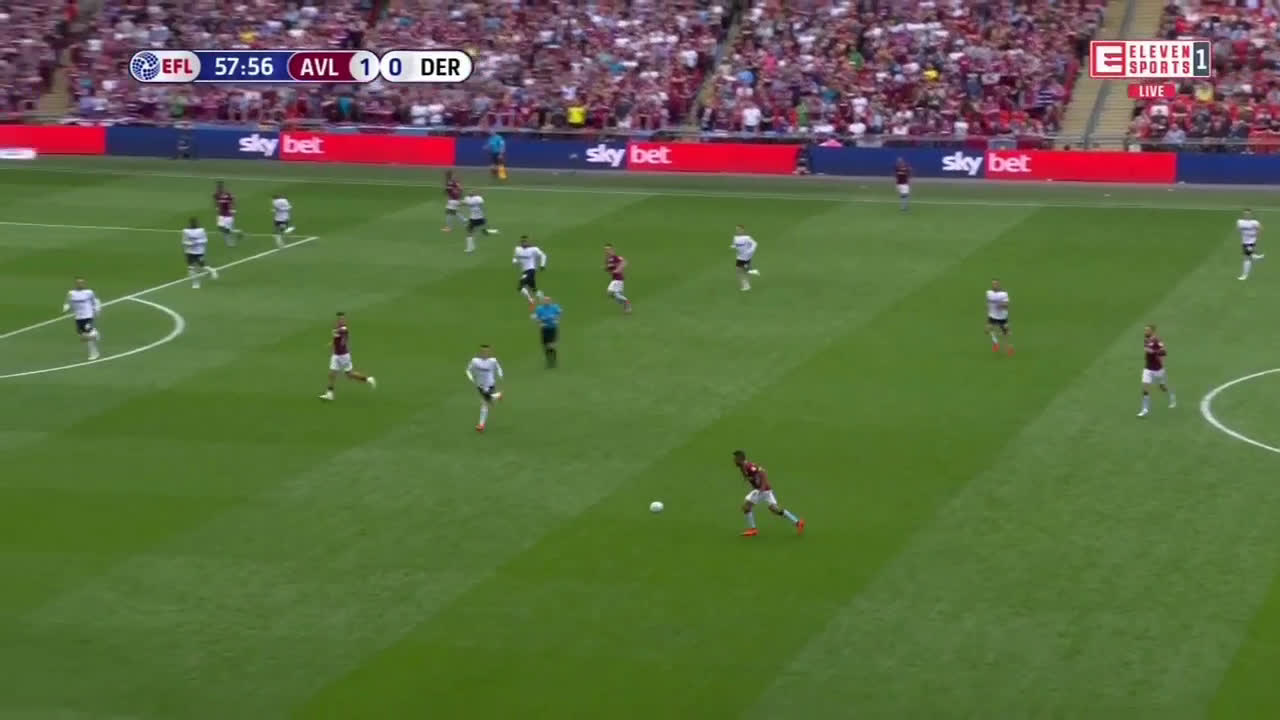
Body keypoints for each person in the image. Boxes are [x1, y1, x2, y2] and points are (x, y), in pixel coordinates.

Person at [733, 450, 804, 537]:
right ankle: (798, 522)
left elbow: (762, 473)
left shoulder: (749, 466)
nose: (734, 461)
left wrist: (762, 488)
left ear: (740, 459)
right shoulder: (743, 467)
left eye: (735, 459)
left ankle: (753, 529)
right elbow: (751, 476)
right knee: (774, 509)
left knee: (746, 507)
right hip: (765, 490)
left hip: (762, 490)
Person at [320, 312, 376, 401]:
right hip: (336, 355)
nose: (341, 320)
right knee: (332, 374)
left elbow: (342, 336)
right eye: (339, 319)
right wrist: (332, 343)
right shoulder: (337, 328)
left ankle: (368, 379)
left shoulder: (343, 329)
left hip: (343, 356)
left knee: (349, 375)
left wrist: (340, 338)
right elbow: (336, 338)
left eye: (342, 319)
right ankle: (330, 393)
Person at [1138, 325, 1175, 418]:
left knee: (1162, 387)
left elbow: (1163, 351)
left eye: (1147, 330)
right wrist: (1155, 352)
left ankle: (1171, 396)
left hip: (1158, 369)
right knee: (1145, 388)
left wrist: (1160, 355)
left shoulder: (1157, 340)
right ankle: (1144, 409)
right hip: (1147, 368)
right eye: (1145, 330)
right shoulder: (1146, 340)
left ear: (1152, 331)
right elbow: (1147, 350)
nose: (1145, 332)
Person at [62, 276, 102, 360]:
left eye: (81, 283)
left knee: (88, 333)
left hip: (88, 316)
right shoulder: (71, 293)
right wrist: (66, 307)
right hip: (78, 317)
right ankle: (95, 335)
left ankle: (94, 353)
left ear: (84, 284)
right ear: (75, 284)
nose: (80, 284)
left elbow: (95, 301)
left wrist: (97, 310)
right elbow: (67, 302)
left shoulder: (89, 292)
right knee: (83, 337)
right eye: (78, 283)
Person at [466, 344, 504, 432]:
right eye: (483, 351)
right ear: (480, 352)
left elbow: (499, 368)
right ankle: (497, 395)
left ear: (489, 352)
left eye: (487, 351)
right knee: (487, 401)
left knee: (484, 403)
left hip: (490, 385)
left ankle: (481, 425)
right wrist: (471, 377)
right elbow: (468, 370)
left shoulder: (493, 361)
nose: (485, 353)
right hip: (480, 386)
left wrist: (500, 374)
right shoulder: (475, 361)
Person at [182, 217, 218, 288]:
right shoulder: (186, 231)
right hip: (190, 252)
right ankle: (196, 283)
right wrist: (189, 244)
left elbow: (205, 240)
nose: (192, 224)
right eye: (191, 223)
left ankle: (212, 270)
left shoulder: (201, 231)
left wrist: (196, 242)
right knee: (191, 268)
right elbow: (184, 242)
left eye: (194, 223)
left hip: (199, 252)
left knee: (202, 266)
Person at [533, 296, 562, 368]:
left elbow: (560, 313)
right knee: (545, 346)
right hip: (544, 329)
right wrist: (540, 323)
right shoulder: (540, 309)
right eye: (545, 301)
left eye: (548, 301)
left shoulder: (554, 307)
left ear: (550, 301)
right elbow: (536, 317)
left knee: (552, 345)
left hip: (552, 328)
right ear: (543, 302)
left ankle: (553, 360)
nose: (547, 302)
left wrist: (557, 320)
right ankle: (548, 360)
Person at [730, 225, 761, 291]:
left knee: (741, 270)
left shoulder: (747, 238)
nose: (738, 231)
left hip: (746, 257)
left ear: (743, 230)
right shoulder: (735, 238)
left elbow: (755, 243)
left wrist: (750, 251)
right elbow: (736, 245)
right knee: (741, 270)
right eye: (737, 229)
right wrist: (733, 246)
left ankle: (746, 285)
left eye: (739, 229)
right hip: (739, 257)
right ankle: (751, 274)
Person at [985, 279, 1012, 355]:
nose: (994, 285)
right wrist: (988, 309)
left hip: (1002, 317)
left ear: (999, 285)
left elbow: (1006, 305)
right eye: (993, 284)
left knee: (1006, 333)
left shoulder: (1003, 294)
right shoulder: (989, 293)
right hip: (992, 316)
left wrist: (1000, 305)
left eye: (996, 284)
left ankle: (1008, 348)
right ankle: (996, 342)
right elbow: (988, 302)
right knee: (987, 330)